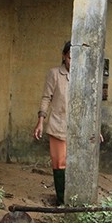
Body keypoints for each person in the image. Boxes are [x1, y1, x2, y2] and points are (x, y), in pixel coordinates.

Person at [33, 41, 71, 205]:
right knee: (60, 163)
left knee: (74, 164)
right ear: (64, 56)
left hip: (77, 128)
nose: (72, 62)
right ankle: (61, 199)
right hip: (58, 125)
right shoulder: (54, 74)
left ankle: (73, 199)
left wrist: (95, 128)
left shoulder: (83, 75)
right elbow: (46, 97)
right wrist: (40, 121)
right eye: (70, 57)